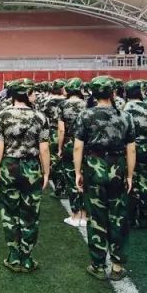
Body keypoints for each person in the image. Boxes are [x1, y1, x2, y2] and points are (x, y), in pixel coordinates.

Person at [73, 75, 136, 281]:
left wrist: (77, 172)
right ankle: (117, 266)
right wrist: (129, 175)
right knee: (118, 217)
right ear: (113, 93)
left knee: (97, 218)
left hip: (94, 167)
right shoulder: (125, 116)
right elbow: (131, 149)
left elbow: (78, 147)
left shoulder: (85, 115)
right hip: (117, 168)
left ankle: (98, 265)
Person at [0, 80, 50, 273]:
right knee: (30, 214)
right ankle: (27, 257)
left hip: (9, 166)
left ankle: (13, 255)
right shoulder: (40, 116)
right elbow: (44, 148)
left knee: (9, 212)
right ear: (27, 94)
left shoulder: (2, 115)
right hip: (32, 167)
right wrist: (46, 171)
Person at [123, 80, 147, 229]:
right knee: (145, 184)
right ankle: (144, 217)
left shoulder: (122, 109)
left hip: (128, 150)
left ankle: (130, 217)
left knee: (129, 181)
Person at [57, 77, 87, 226]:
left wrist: (59, 148)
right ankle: (86, 214)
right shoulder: (88, 104)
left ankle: (76, 215)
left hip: (70, 143)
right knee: (86, 178)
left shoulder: (63, 105)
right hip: (86, 145)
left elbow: (61, 130)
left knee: (71, 179)